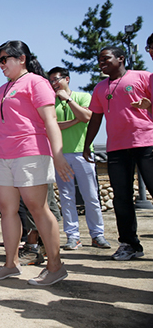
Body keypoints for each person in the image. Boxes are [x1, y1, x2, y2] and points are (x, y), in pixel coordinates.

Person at [0, 40, 73, 286]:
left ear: (21, 58)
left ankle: (55, 267)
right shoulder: (2, 90)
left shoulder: (36, 82)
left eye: (5, 59)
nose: (1, 64)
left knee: (37, 207)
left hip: (30, 151)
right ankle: (11, 264)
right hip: (3, 156)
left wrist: (58, 154)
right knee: (7, 210)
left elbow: (50, 120)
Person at [83, 46, 153, 260]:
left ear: (121, 58)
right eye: (99, 59)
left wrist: (149, 106)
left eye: (105, 58)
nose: (101, 62)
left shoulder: (144, 77)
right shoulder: (100, 88)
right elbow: (96, 118)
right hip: (117, 148)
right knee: (121, 198)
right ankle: (130, 244)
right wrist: (87, 145)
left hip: (146, 142)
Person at [47, 66, 110, 250]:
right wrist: (76, 120)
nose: (53, 83)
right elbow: (53, 125)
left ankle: (97, 235)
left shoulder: (83, 96)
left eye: (56, 79)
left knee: (91, 196)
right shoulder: (50, 103)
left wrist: (69, 100)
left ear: (67, 79)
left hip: (83, 153)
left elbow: (88, 116)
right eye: (50, 80)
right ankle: (73, 236)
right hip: (60, 154)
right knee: (66, 198)